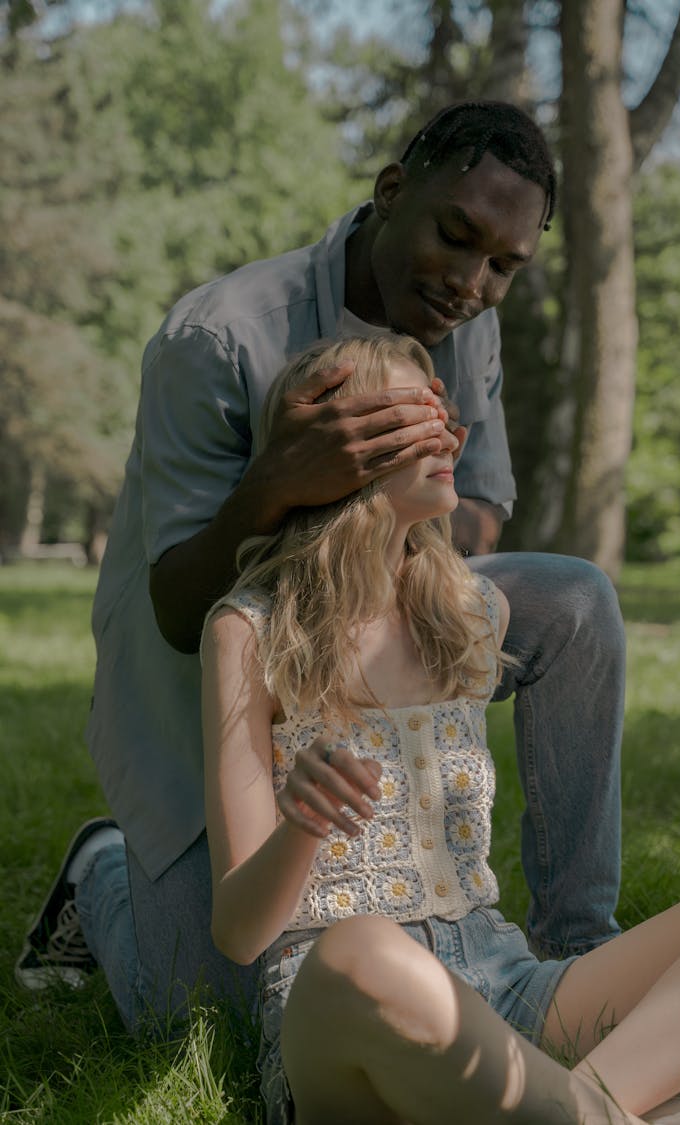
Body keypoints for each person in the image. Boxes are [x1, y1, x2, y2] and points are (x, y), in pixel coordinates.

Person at [17, 101, 625, 1034]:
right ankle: (103, 869)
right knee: (197, 1018)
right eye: (456, 236)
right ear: (391, 193)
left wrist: (392, 555)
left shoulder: (468, 322)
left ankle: (579, 946)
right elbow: (182, 606)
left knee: (576, 600)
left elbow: (476, 512)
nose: (473, 282)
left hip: (370, 609)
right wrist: (280, 480)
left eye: (505, 265)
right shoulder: (215, 339)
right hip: (203, 673)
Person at [201, 333, 680, 1125]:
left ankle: (586, 1109)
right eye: (415, 413)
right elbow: (239, 931)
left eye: (445, 413)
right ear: (336, 440)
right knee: (362, 948)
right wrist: (300, 824)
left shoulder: (470, 613)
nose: (451, 435)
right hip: (343, 1004)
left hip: (507, 983)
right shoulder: (250, 632)